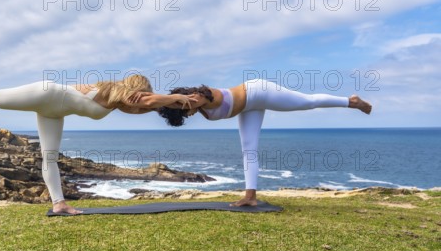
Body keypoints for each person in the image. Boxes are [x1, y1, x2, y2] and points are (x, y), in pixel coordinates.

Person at [0, 74, 196, 214]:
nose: (145, 99)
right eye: (144, 93)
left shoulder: (123, 103)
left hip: (54, 111)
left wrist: (178, 107)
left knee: (49, 157)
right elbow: (147, 101)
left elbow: (146, 106)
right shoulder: (118, 91)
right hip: (46, 92)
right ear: (137, 88)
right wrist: (173, 99)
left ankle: (59, 203)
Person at [153, 78, 372, 207]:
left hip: (259, 91)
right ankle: (251, 197)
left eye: (183, 112)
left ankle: (351, 102)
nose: (187, 115)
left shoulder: (201, 96)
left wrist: (160, 100)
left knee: (307, 102)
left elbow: (181, 100)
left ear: (183, 101)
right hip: (249, 108)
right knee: (249, 149)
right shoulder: (200, 109)